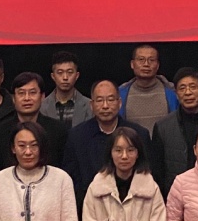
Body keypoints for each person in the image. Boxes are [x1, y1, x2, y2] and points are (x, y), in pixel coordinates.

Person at [63, 80, 149, 213]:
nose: (105, 106)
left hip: (133, 209)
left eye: (110, 100)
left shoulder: (139, 134)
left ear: (119, 103)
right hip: (88, 210)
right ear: (91, 105)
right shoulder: (77, 136)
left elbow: (146, 173)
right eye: (99, 100)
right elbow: (71, 179)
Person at [151, 67, 198, 198]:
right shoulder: (162, 127)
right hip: (176, 198)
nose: (188, 92)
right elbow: (158, 173)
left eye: (193, 87)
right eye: (182, 88)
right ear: (176, 94)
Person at [0, 72, 68, 175]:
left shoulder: (59, 131)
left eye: (32, 93)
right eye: (21, 93)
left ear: (42, 97)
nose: (27, 98)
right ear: (13, 98)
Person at [119, 44, 178, 134]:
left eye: (151, 60)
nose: (146, 64)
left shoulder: (173, 92)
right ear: (132, 64)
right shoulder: (120, 94)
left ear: (157, 65)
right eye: (141, 59)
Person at [42, 50, 93, 127]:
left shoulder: (90, 106)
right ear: (53, 76)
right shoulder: (42, 106)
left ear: (77, 75)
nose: (65, 77)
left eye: (70, 72)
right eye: (60, 72)